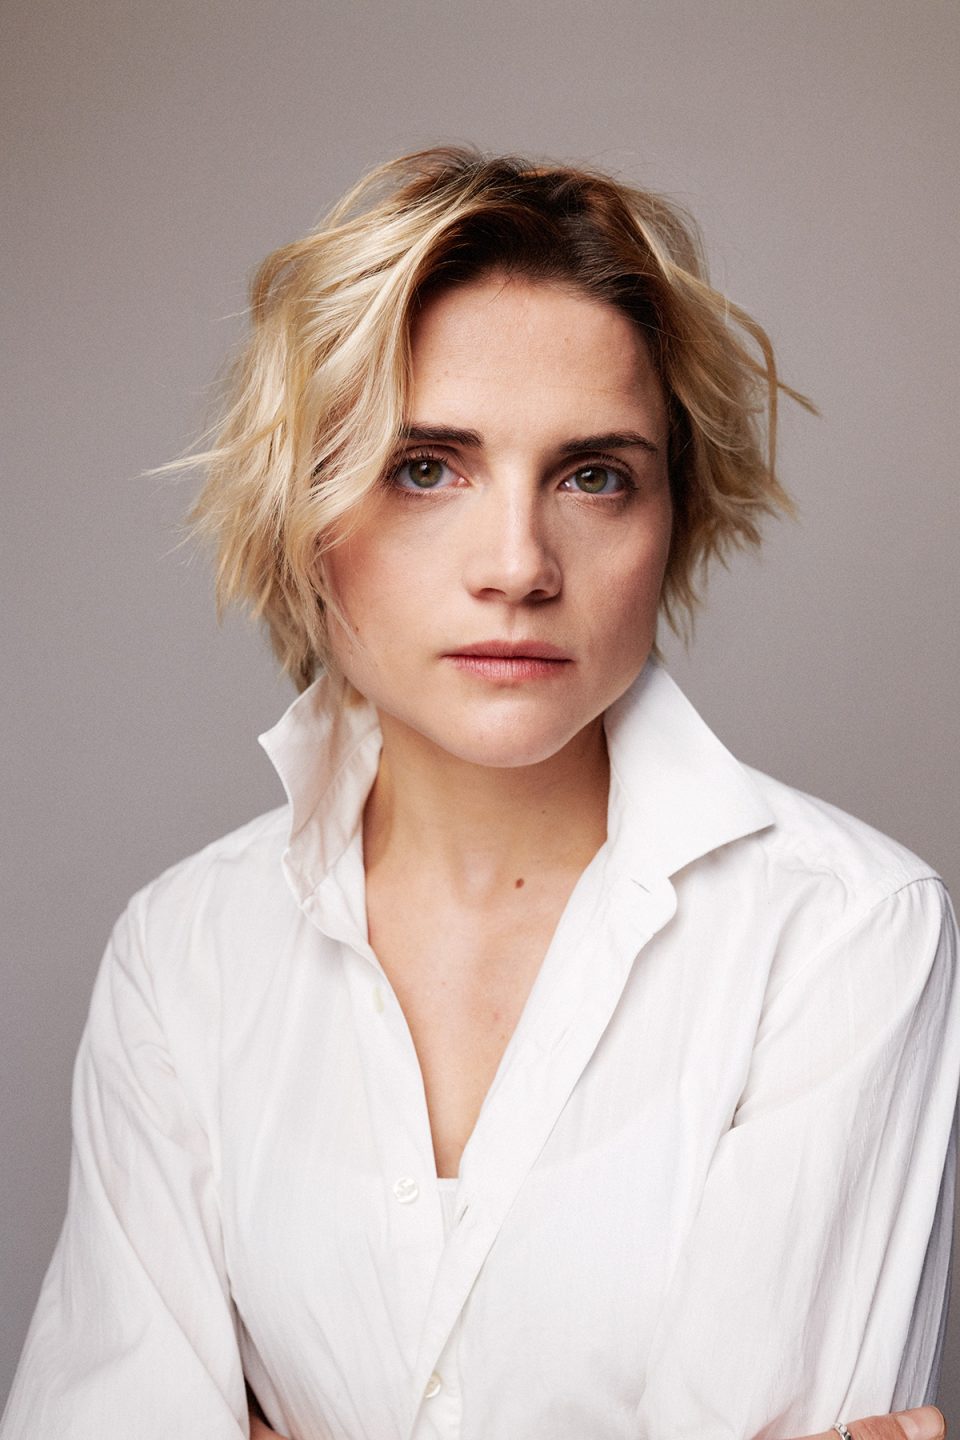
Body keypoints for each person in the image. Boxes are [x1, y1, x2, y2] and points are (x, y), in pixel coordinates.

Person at [2, 148, 957, 1440]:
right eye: (426, 468)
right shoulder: (184, 958)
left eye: (593, 475)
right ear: (304, 513)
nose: (517, 565)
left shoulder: (844, 935)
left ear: (672, 517)